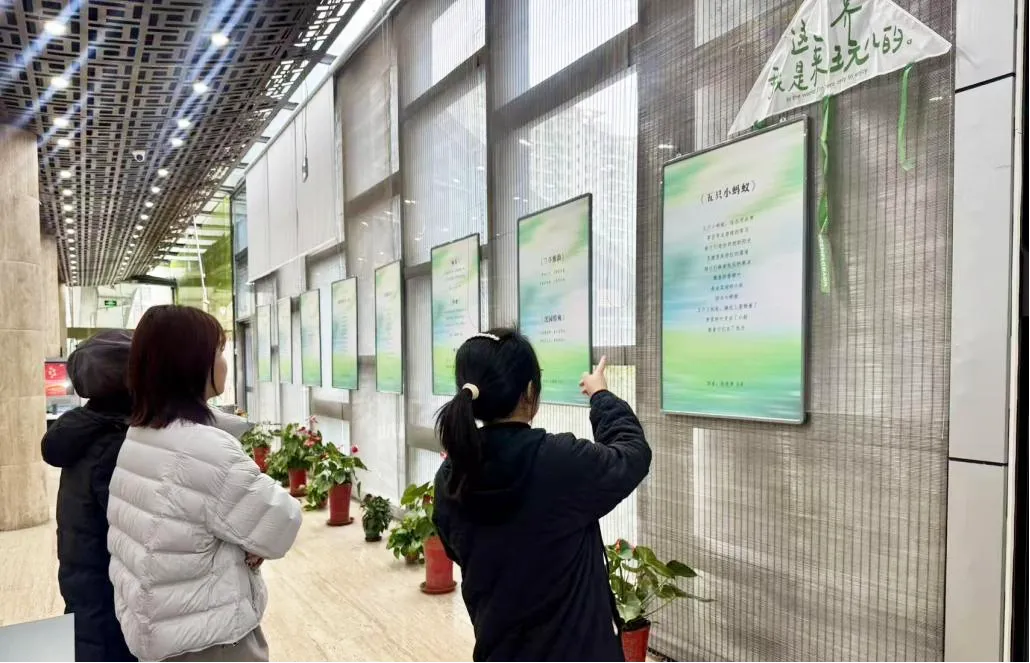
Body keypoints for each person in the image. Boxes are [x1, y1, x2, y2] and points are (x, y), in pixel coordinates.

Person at [432, 328, 652, 663]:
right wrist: (601, 395)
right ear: (530, 392)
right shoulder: (558, 462)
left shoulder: (451, 477)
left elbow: (457, 547)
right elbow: (632, 454)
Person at [107, 305, 302, 663]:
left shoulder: (141, 434)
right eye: (219, 352)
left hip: (161, 632)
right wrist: (249, 539)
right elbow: (281, 521)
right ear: (193, 363)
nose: (225, 362)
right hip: (210, 642)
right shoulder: (203, 448)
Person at [41, 330, 136, 663]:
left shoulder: (85, 428)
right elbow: (137, 531)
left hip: (87, 589)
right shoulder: (114, 443)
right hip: (111, 602)